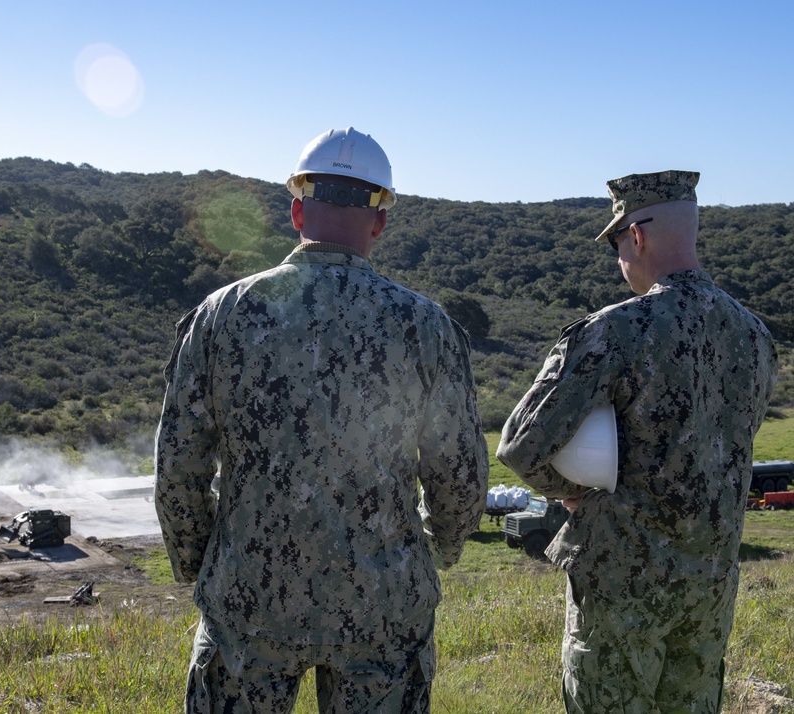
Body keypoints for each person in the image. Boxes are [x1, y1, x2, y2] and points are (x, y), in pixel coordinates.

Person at [156, 127, 489, 714]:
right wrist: (439, 545)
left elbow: (179, 466)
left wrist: (201, 561)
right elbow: (459, 476)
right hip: (383, 606)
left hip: (249, 604)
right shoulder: (426, 326)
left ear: (295, 210)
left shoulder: (223, 314)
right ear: (381, 220)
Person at [496, 170, 778, 713]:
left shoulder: (618, 329)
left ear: (636, 236)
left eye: (618, 244)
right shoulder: (754, 336)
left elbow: (521, 445)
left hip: (621, 586)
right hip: (711, 585)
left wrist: (573, 491)